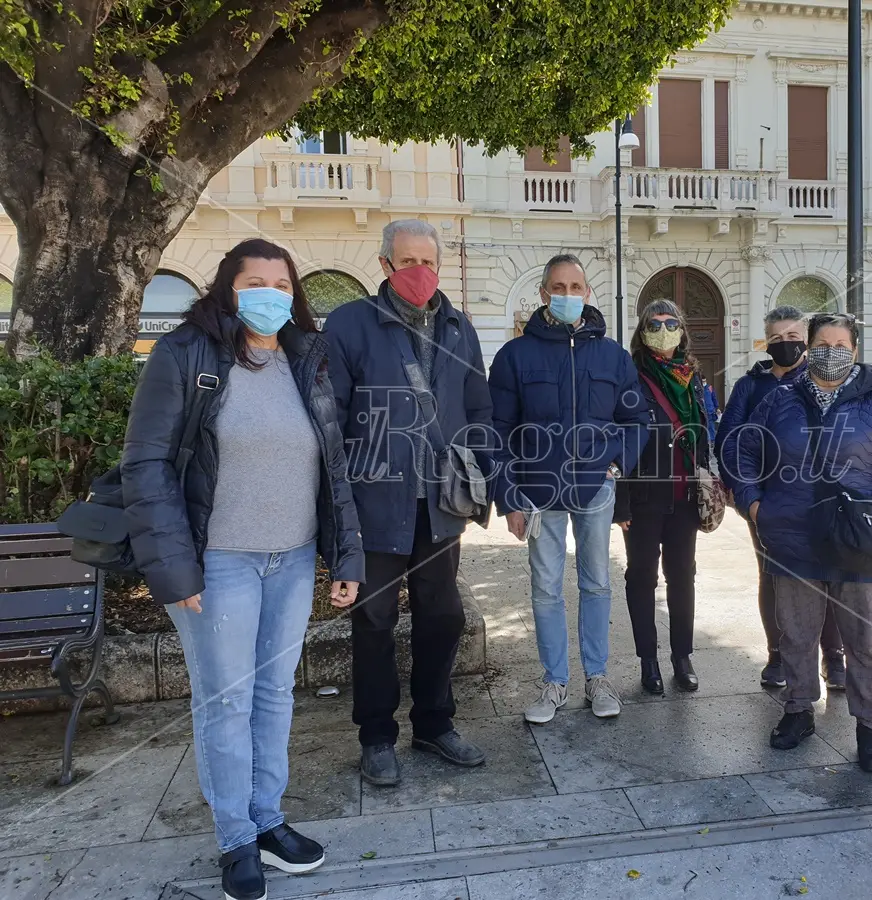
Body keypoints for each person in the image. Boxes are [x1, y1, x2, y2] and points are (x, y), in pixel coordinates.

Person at [122, 239, 364, 900]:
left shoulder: (306, 359)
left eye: (282, 283)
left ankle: (267, 819)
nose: (270, 293)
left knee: (273, 693)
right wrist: (177, 571)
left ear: (295, 294)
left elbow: (331, 468)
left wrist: (345, 555)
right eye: (255, 281)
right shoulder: (184, 356)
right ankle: (235, 838)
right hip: (218, 562)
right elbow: (145, 467)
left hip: (290, 561)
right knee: (225, 699)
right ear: (227, 288)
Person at [324, 220, 494, 785]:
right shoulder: (350, 324)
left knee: (442, 617)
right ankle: (376, 737)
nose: (420, 271)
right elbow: (333, 419)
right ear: (384, 265)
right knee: (372, 622)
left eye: (429, 260)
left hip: (439, 506)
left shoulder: (457, 325)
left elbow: (477, 407)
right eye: (407, 261)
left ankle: (433, 723)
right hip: (375, 505)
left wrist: (479, 469)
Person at [730, 313, 872, 773]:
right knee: (796, 634)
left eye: (841, 344)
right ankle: (798, 710)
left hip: (860, 540)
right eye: (822, 343)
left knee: (864, 641)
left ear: (855, 351)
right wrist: (753, 503)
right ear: (809, 348)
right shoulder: (780, 399)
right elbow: (742, 449)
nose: (831, 351)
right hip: (793, 536)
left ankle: (870, 728)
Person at [489, 254, 650, 724]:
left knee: (596, 583)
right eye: (557, 287)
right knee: (544, 587)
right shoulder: (514, 356)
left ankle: (597, 678)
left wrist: (617, 462)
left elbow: (636, 419)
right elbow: (498, 430)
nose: (566, 295)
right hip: (539, 492)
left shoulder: (613, 356)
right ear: (543, 294)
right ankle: (554, 680)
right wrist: (509, 497)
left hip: (594, 491)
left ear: (587, 293)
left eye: (575, 286)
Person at [716, 306, 846, 693]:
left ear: (806, 340)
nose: (786, 345)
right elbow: (729, 441)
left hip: (823, 497)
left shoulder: (827, 379)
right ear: (766, 341)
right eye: (777, 339)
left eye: (793, 338)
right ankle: (778, 655)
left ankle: (833, 656)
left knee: (829, 575)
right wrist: (749, 498)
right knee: (774, 577)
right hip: (770, 501)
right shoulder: (750, 386)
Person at [613, 300, 713, 695]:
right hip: (642, 498)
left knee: (682, 576)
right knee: (641, 577)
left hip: (685, 496)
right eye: (655, 324)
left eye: (672, 323)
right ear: (642, 331)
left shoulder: (693, 379)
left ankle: (681, 657)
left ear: (683, 331)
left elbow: (704, 433)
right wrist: (620, 501)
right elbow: (620, 438)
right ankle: (648, 661)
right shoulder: (632, 378)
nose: (665, 329)